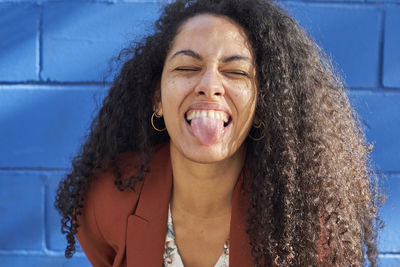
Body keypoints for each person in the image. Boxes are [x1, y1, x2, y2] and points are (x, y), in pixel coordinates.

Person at [55, 0, 383, 266]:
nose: (210, 86)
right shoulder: (105, 199)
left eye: (236, 72)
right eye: (186, 68)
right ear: (157, 98)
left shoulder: (306, 221)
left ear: (262, 107)